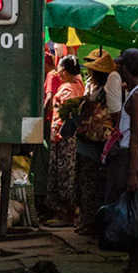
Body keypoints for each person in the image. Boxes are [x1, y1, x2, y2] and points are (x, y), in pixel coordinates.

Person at [103, 49, 138, 273]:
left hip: (132, 158)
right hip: (134, 157)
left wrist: (132, 174)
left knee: (134, 215)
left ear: (126, 68)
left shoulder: (137, 96)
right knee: (132, 213)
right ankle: (133, 268)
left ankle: (135, 270)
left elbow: (135, 137)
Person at [73, 51, 119, 236]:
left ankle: (89, 222)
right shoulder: (97, 91)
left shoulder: (106, 93)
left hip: (93, 146)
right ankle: (86, 221)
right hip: (90, 145)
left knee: (89, 186)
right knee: (87, 186)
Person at [45, 55, 86, 225]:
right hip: (72, 137)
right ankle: (69, 212)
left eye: (61, 69)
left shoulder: (66, 88)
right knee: (69, 173)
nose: (58, 72)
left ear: (67, 71)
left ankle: (64, 214)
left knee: (61, 173)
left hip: (63, 137)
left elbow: (66, 112)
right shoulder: (80, 86)